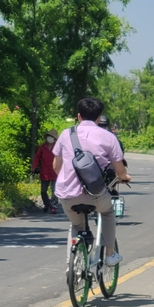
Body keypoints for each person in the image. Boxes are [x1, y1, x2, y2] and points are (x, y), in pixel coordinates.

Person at [52, 98, 131, 267]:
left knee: (76, 224)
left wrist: (69, 179)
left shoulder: (66, 134)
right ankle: (109, 254)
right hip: (95, 194)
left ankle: (72, 266)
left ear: (78, 116)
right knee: (108, 212)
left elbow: (56, 166)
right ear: (98, 118)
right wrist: (124, 177)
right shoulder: (109, 137)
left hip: (67, 195)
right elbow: (119, 169)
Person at [31, 129, 60, 213]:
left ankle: (53, 206)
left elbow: (61, 158)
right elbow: (37, 157)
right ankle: (47, 204)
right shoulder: (42, 147)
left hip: (55, 172)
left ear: (54, 139)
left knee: (55, 191)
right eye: (49, 137)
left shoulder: (57, 148)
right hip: (44, 172)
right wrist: (34, 166)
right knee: (43, 191)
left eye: (52, 137)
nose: (50, 138)